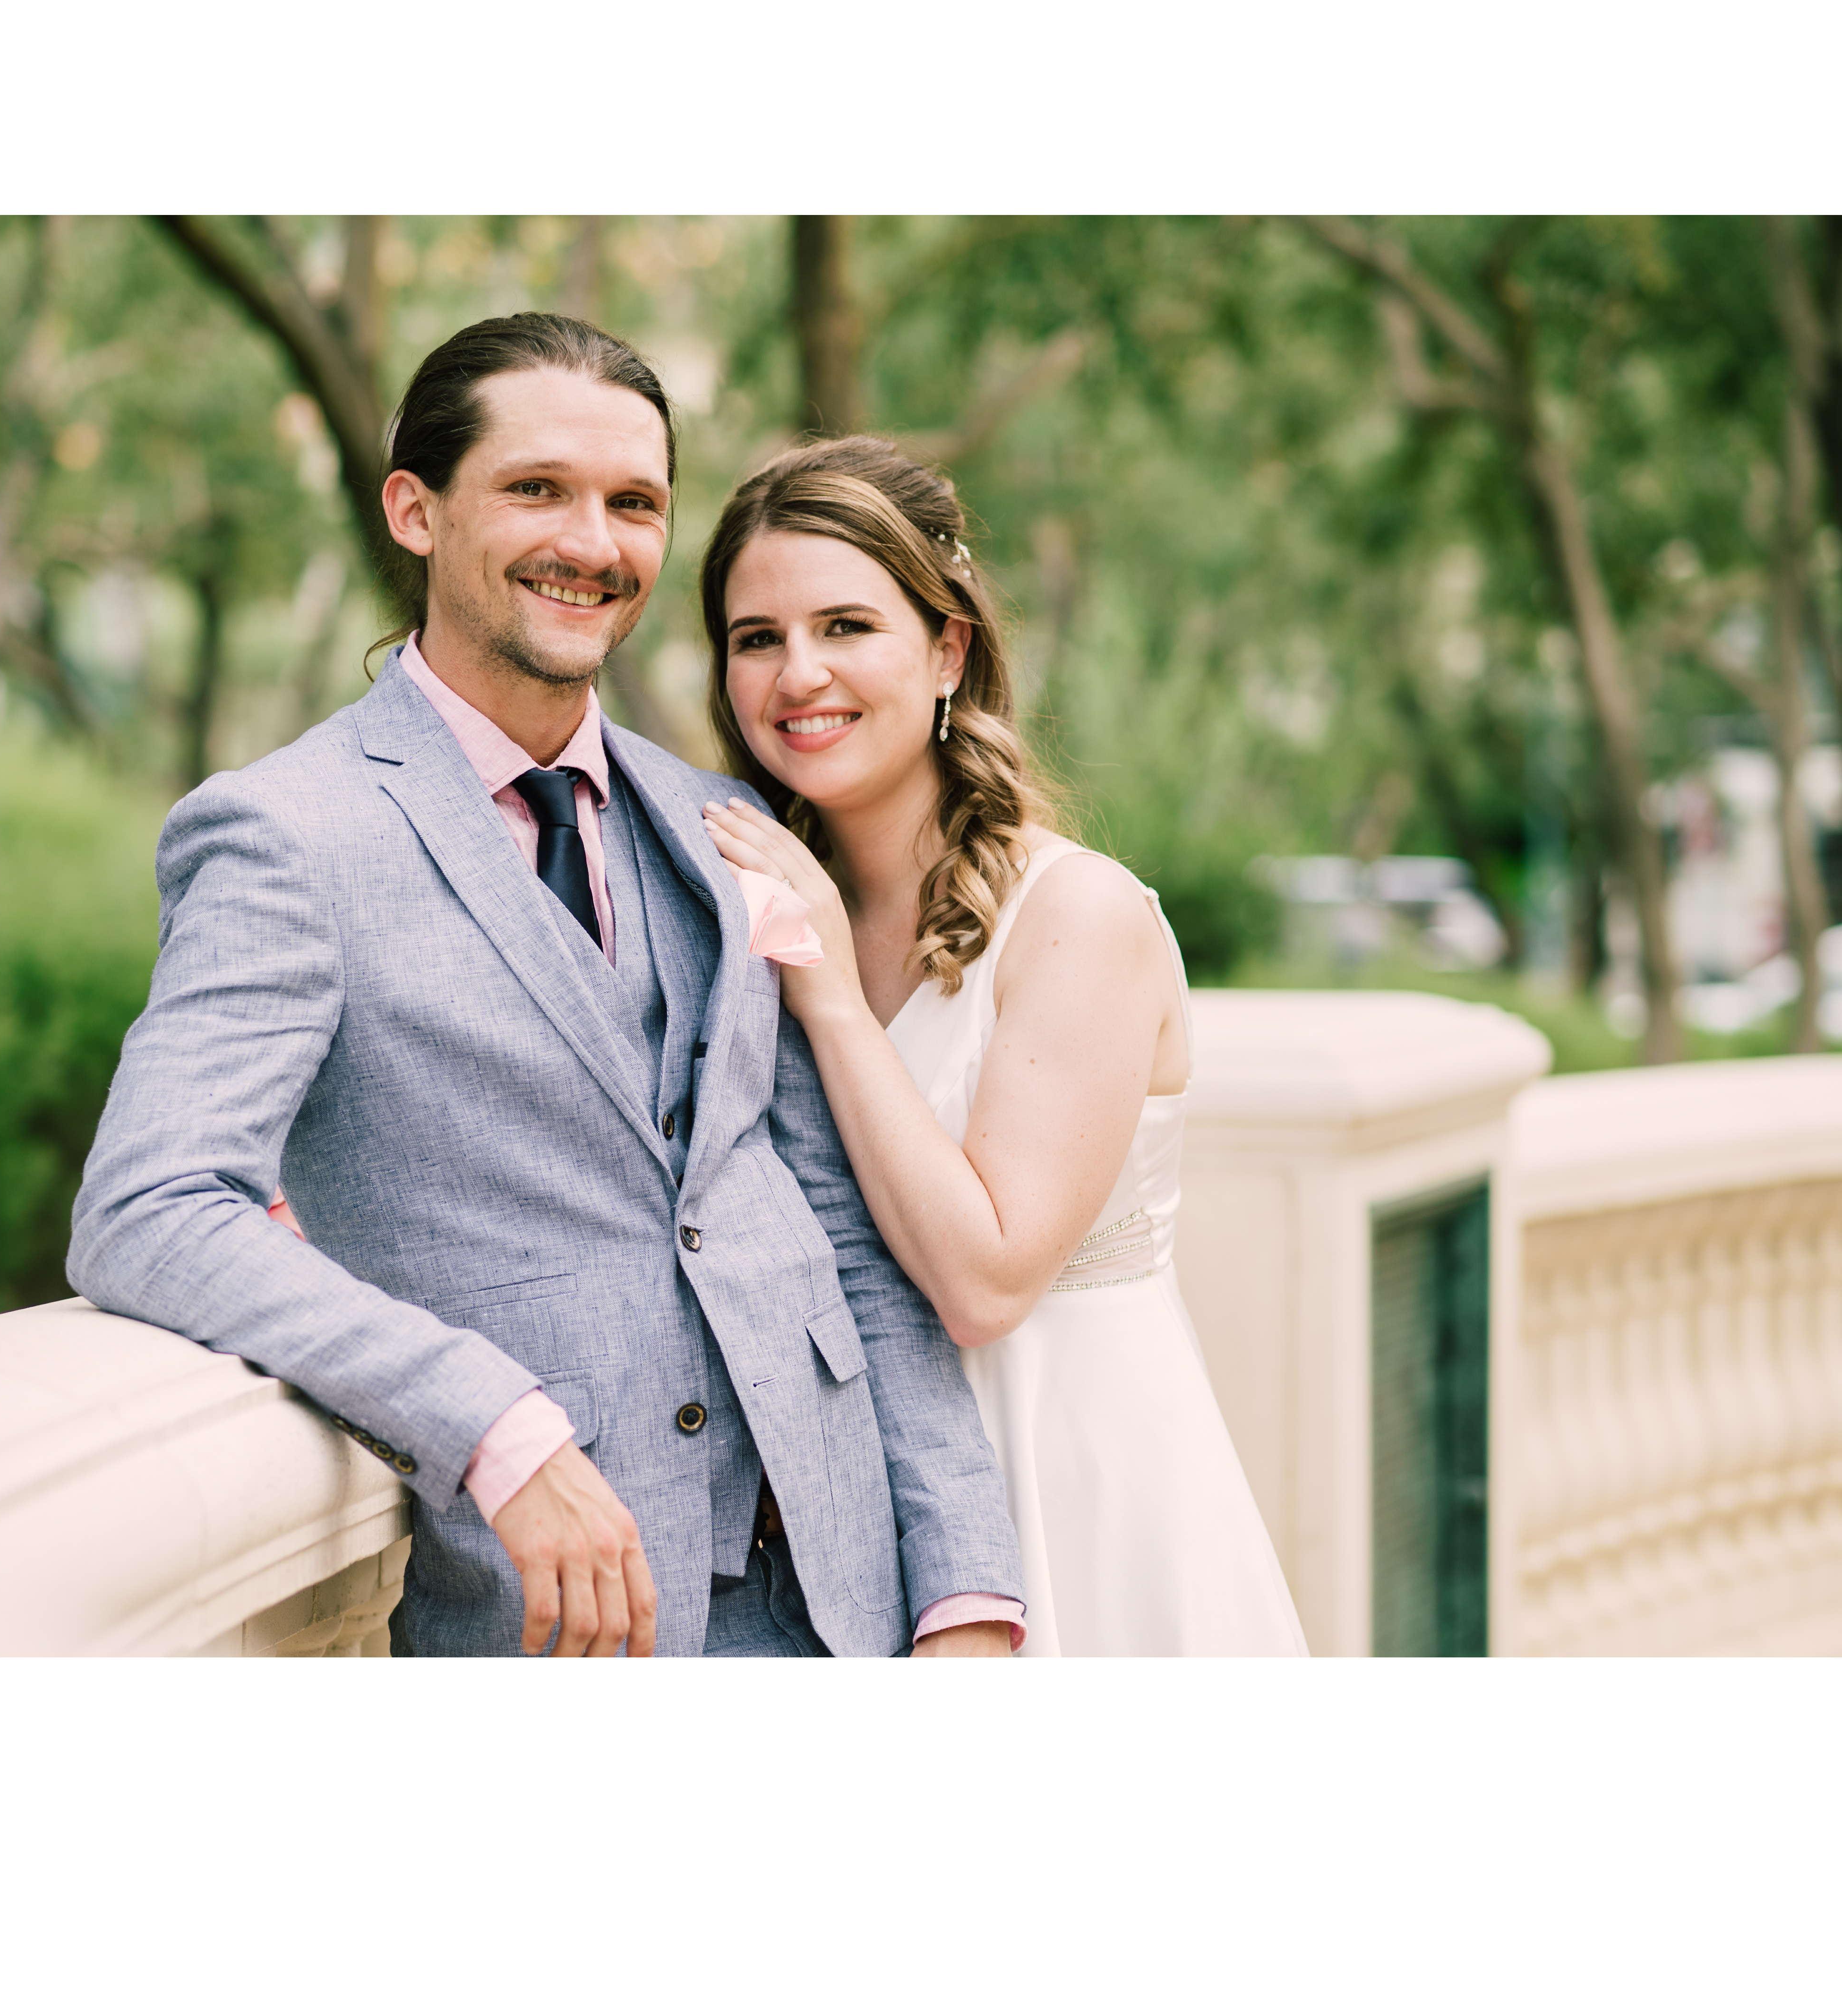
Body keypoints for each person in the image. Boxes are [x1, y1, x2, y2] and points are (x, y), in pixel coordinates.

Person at [68, 317, 1024, 1657]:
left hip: (844, 1602)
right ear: (415, 511)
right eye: (537, 490)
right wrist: (493, 1425)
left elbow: (839, 1229)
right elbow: (149, 1208)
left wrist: (966, 1592)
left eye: (635, 503)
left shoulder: (721, 825)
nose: (594, 542)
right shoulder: (288, 834)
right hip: (555, 1626)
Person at [695, 438, 1306, 1656]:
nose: (799, 674)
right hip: (858, 1515)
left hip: (1074, 1474)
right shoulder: (737, 903)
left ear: (948, 650)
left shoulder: (1078, 917)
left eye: (847, 625)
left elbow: (986, 1284)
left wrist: (829, 995)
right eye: (757, 637)